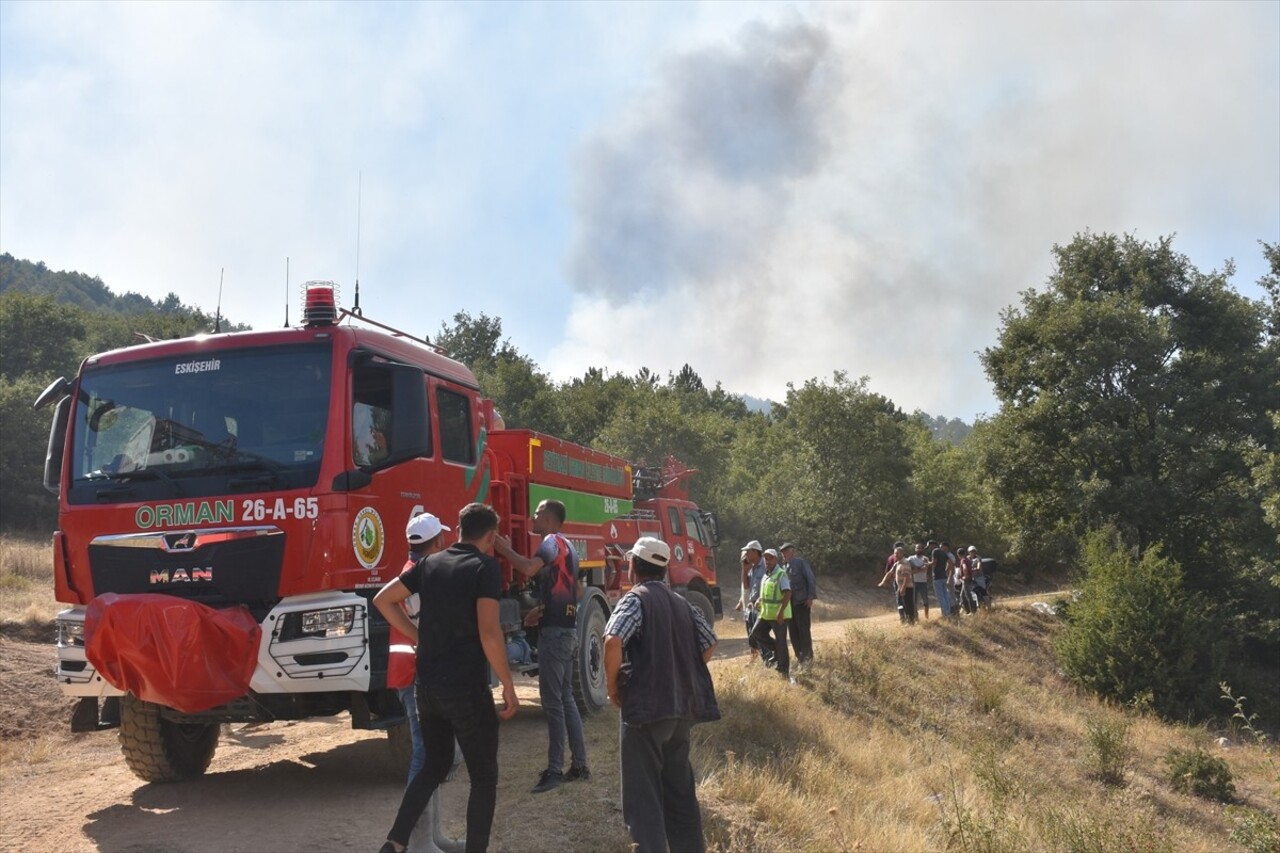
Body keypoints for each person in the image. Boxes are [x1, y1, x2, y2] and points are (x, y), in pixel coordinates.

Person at [376, 503, 518, 853]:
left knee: (433, 766)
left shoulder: (428, 564)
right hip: (465, 688)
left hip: (427, 687)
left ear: (456, 530)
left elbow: (383, 600)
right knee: (484, 776)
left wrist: (417, 635)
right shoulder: (485, 567)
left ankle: (395, 842)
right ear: (491, 537)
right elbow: (489, 633)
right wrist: (510, 687)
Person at [603, 536, 720, 853]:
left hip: (646, 712)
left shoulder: (635, 599)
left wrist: (613, 686)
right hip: (682, 710)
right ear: (665, 568)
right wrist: (680, 669)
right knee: (680, 794)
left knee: (644, 802)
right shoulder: (684, 603)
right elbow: (709, 642)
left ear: (634, 566)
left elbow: (613, 640)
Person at [494, 499, 590, 793]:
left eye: (536, 514)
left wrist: (502, 548)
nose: (531, 517)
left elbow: (528, 567)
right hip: (567, 630)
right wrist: (544, 609)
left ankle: (554, 770)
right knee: (565, 698)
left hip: (555, 636)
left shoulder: (550, 541)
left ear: (548, 519)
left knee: (552, 703)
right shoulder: (570, 546)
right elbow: (576, 589)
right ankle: (580, 765)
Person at [385, 512, 452, 785]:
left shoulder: (411, 572)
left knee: (434, 754)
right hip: (416, 673)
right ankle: (416, 824)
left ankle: (430, 829)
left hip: (411, 671)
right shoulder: (416, 577)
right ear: (437, 542)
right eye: (443, 538)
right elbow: (426, 623)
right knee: (425, 754)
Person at [749, 548, 792, 678]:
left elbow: (788, 592)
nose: (767, 561)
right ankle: (778, 653)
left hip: (779, 615)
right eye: (766, 559)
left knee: (781, 641)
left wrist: (780, 612)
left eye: (770, 558)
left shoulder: (781, 574)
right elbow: (767, 594)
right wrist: (759, 600)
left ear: (776, 559)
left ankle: (783, 670)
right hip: (766, 613)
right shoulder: (766, 575)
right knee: (756, 633)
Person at [780, 543, 817, 666]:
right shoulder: (783, 567)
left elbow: (810, 578)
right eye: (782, 552)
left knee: (803, 631)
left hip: (801, 602)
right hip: (789, 605)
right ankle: (799, 656)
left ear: (792, 552)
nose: (783, 554)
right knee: (793, 631)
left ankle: (807, 658)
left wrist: (810, 596)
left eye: (785, 551)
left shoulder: (800, 563)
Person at [735, 541, 767, 662]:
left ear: (755, 551)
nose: (746, 555)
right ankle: (758, 659)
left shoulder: (765, 565)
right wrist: (744, 569)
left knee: (759, 633)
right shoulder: (751, 568)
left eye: (748, 552)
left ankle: (768, 659)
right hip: (752, 606)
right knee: (752, 634)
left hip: (763, 606)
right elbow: (746, 586)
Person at [930, 540, 956, 621]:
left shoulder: (935, 551)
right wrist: (945, 571)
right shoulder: (944, 553)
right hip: (944, 576)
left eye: (929, 546)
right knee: (945, 596)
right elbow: (951, 563)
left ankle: (945, 614)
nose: (929, 548)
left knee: (941, 597)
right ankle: (948, 613)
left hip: (937, 577)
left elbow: (934, 563)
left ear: (933, 545)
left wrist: (927, 563)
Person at [909, 542, 931, 621]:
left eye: (919, 548)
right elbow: (910, 570)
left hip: (923, 582)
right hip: (913, 582)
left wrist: (915, 569)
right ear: (915, 549)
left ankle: (927, 616)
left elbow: (925, 570)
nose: (918, 549)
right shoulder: (910, 558)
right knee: (914, 601)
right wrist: (917, 569)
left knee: (925, 600)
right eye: (916, 548)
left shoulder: (925, 558)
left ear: (922, 549)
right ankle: (916, 617)